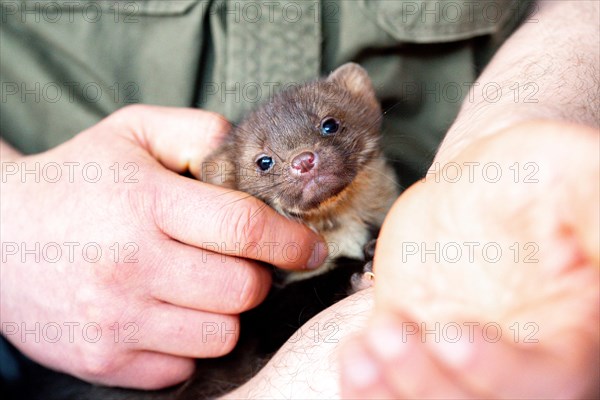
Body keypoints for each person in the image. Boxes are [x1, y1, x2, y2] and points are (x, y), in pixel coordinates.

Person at [1, 1, 598, 399]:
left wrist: (512, 139)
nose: (302, 158)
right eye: (267, 164)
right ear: (230, 179)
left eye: (331, 129)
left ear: (359, 102)